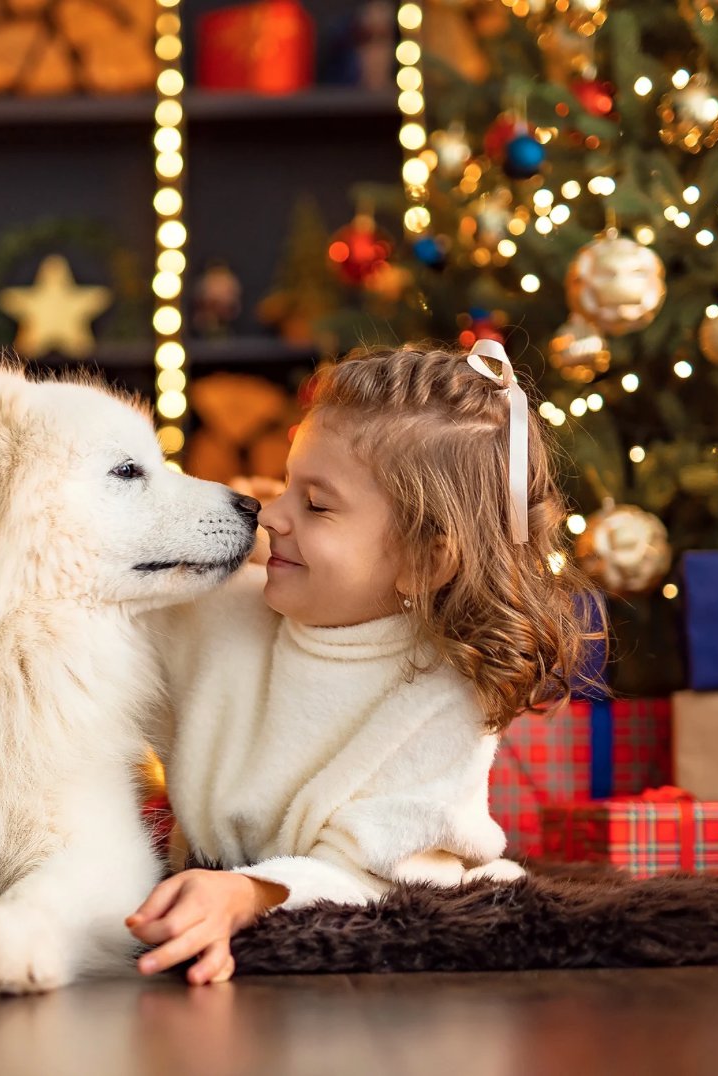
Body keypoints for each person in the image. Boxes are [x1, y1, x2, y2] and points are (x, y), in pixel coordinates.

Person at [127, 341, 603, 986]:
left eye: (317, 505)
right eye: (287, 483)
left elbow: (371, 875)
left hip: (366, 944)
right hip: (210, 879)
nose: (271, 514)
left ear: (427, 560)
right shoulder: (221, 609)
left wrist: (244, 896)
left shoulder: (441, 695)